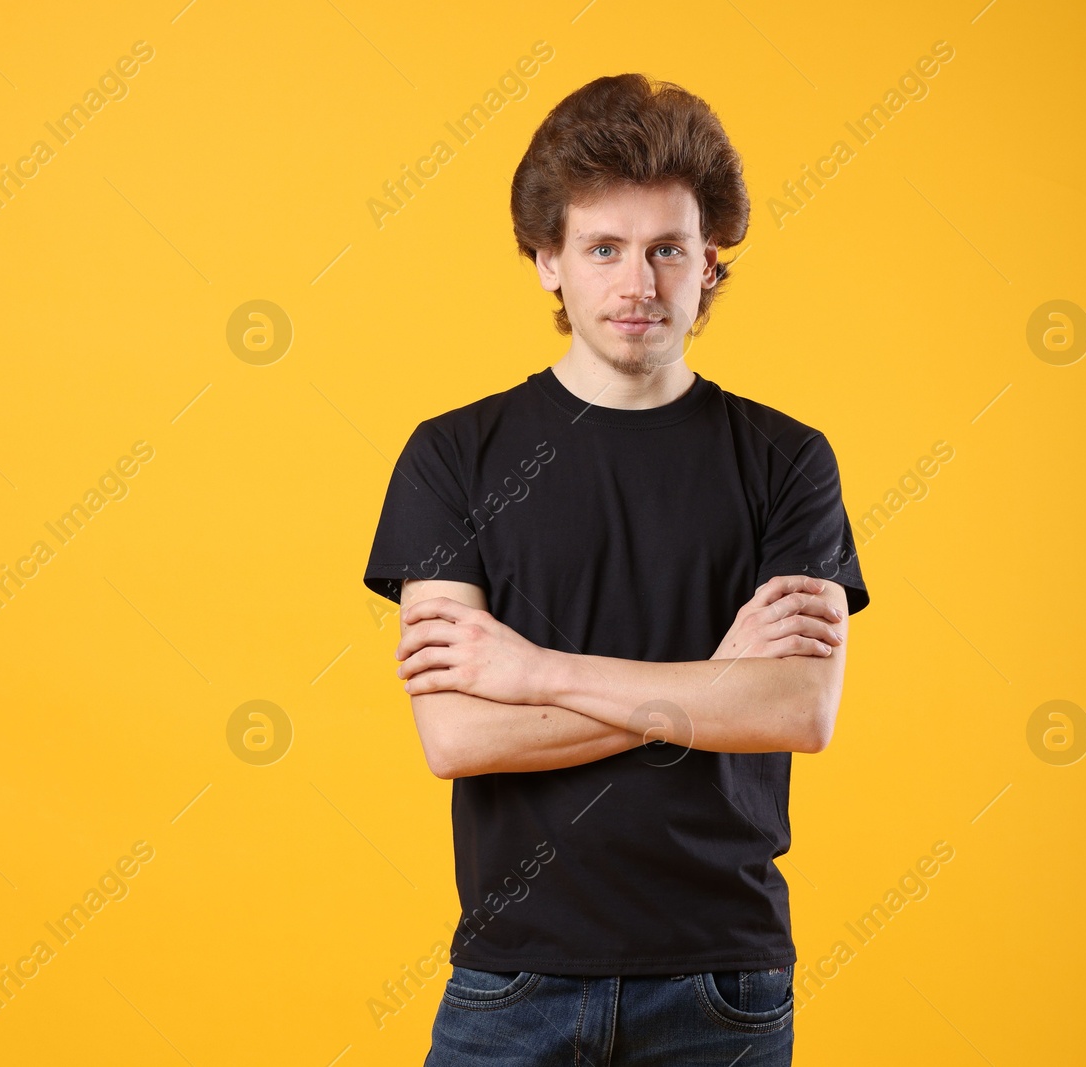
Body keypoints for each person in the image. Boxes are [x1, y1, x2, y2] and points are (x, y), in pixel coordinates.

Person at [362, 72, 870, 1067]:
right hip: (513, 979)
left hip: (721, 980)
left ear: (708, 265)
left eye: (666, 249)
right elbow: (458, 732)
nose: (637, 283)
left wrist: (535, 672)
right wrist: (714, 683)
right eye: (603, 249)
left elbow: (796, 711)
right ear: (547, 260)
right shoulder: (450, 455)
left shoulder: (787, 459)